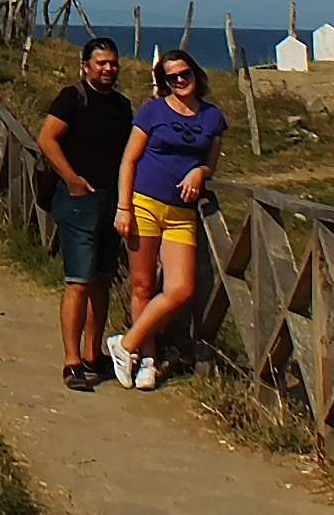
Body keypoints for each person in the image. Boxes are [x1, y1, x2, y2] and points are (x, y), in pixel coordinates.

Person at [106, 49, 226, 391]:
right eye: (171, 77)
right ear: (164, 81)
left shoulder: (213, 118)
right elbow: (129, 161)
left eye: (183, 73)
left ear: (195, 73)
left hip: (180, 214)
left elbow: (210, 164)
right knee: (143, 284)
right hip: (144, 204)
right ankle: (147, 360)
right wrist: (123, 207)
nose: (179, 81)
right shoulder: (153, 111)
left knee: (180, 289)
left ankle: (125, 344)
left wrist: (200, 172)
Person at [37, 37, 133, 390]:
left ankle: (93, 353)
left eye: (113, 63)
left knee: (103, 279)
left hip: (112, 199)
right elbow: (47, 138)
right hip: (78, 200)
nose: (108, 69)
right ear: (86, 66)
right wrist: (72, 179)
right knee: (78, 281)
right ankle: (71, 360)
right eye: (101, 63)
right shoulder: (72, 98)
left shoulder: (122, 106)